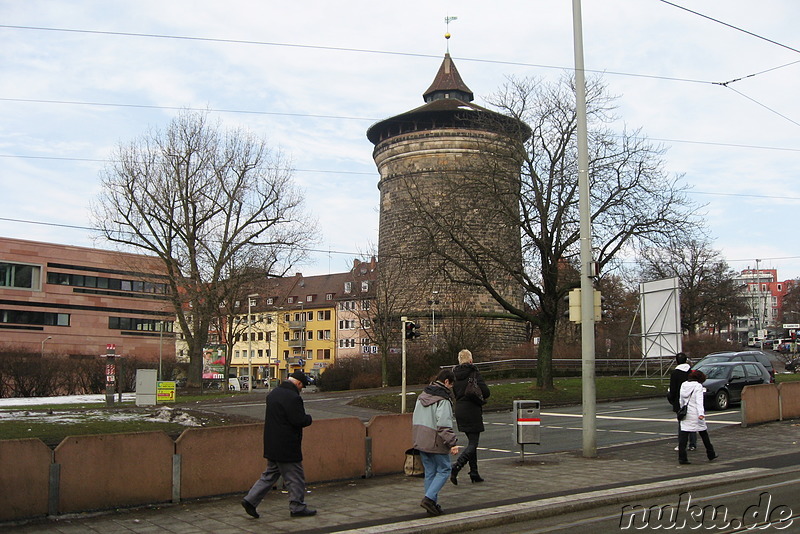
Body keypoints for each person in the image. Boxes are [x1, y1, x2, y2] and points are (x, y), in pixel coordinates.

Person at [241, 370, 316, 518]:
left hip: (272, 442)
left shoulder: (274, 394)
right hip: (287, 445)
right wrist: (309, 419)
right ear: (299, 383)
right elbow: (298, 420)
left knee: (270, 474)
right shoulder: (293, 397)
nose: (301, 389)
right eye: (302, 386)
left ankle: (250, 500)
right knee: (295, 477)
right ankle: (297, 507)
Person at [412, 369, 460, 516]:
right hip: (436, 441)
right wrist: (452, 443)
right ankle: (428, 499)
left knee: (430, 472)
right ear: (446, 382)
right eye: (451, 385)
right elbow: (444, 425)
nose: (451, 388)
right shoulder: (443, 400)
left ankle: (431, 504)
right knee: (445, 469)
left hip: (420, 439)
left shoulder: (422, 396)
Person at [450, 349, 491, 485]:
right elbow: (486, 392)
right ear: (471, 360)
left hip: (460, 409)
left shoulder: (454, 374)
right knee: (473, 443)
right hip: (472, 409)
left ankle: (474, 472)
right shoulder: (473, 372)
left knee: (471, 441)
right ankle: (457, 466)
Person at [677, 370, 718, 465]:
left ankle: (682, 457)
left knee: (683, 437)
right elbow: (699, 402)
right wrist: (701, 414)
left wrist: (682, 409)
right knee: (704, 434)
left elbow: (681, 400)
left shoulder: (684, 385)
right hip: (695, 414)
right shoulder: (698, 386)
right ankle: (710, 453)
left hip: (686, 414)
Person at [668, 352, 697, 451]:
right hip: (691, 401)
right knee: (692, 422)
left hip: (679, 402)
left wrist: (672, 400)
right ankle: (692, 444)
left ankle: (682, 444)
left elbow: (673, 390)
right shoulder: (691, 372)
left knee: (682, 423)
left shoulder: (675, 374)